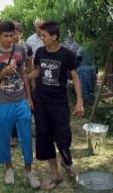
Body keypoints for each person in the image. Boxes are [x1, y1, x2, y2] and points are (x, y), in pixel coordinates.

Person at [28, 21, 84, 191]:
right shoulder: (40, 52)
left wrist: (80, 102)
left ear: (54, 37)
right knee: (44, 139)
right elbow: (39, 70)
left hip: (59, 103)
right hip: (42, 103)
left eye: (44, 35)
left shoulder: (67, 55)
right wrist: (25, 77)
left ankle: (67, 162)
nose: (41, 38)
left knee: (63, 138)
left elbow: (74, 77)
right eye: (40, 34)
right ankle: (55, 175)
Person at [0, 20, 40, 189]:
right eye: (6, 36)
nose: (10, 39)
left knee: (26, 136)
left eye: (12, 35)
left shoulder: (20, 50)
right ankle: (9, 168)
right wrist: (5, 72)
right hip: (3, 102)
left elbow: (24, 72)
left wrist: (29, 97)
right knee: (4, 137)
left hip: (21, 101)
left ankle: (29, 171)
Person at [10, 21, 34, 147]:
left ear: (21, 33)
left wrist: (32, 81)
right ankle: (13, 135)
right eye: (12, 33)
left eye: (16, 33)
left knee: (27, 105)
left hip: (25, 80)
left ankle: (28, 130)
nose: (14, 36)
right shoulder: (7, 47)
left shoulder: (26, 47)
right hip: (11, 82)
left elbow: (30, 64)